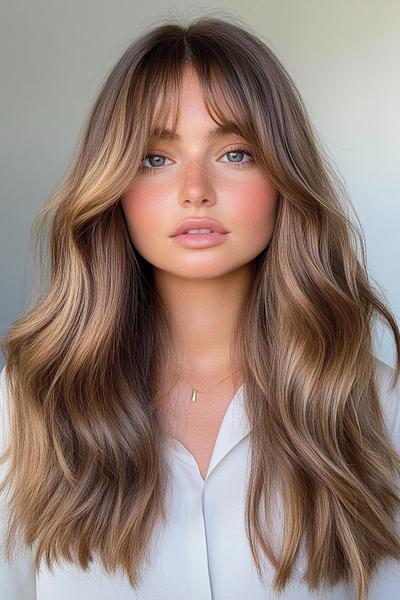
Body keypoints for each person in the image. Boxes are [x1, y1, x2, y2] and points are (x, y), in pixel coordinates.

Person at [1, 14, 400, 600]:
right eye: (155, 158)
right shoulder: (26, 406)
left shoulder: (376, 410)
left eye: (235, 153)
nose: (195, 188)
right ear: (113, 186)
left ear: (284, 176)